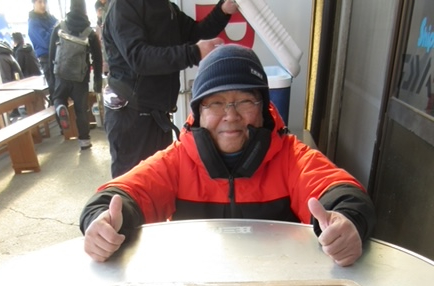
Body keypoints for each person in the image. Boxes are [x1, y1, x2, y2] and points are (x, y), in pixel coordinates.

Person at [80, 45, 376, 267]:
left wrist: (348, 223)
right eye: (216, 103)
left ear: (263, 109)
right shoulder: (178, 160)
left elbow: (343, 193)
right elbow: (120, 196)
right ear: (198, 112)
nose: (230, 115)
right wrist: (102, 223)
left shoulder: (289, 156)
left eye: (245, 101)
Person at [102, 0, 239, 178]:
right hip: (131, 116)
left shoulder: (167, 7)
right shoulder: (124, 5)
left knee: (159, 180)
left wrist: (223, 10)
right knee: (132, 184)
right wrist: (194, 53)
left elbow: (197, 32)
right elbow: (139, 58)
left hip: (158, 114)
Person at [49, 0, 103, 150]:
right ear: (84, 10)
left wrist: (52, 78)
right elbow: (97, 59)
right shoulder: (89, 33)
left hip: (61, 74)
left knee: (58, 98)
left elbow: (51, 54)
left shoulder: (59, 27)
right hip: (80, 78)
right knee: (81, 109)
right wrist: (97, 82)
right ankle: (84, 141)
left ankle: (61, 107)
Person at [28, 0, 58, 100]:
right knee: (56, 92)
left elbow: (62, 30)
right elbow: (47, 41)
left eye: (45, 2)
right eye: (40, 2)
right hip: (47, 60)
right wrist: (55, 29)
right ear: (33, 3)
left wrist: (55, 29)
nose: (43, 5)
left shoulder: (50, 17)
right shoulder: (33, 23)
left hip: (59, 57)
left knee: (64, 90)